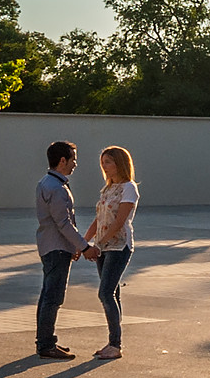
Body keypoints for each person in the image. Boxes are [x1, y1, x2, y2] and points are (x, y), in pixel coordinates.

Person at [81, 145, 139, 360]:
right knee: (113, 293)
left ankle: (116, 345)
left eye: (108, 162)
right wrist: (83, 242)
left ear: (120, 163)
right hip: (103, 248)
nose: (104, 166)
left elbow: (119, 221)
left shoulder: (128, 188)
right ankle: (113, 342)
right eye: (102, 162)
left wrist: (99, 244)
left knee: (105, 293)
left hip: (118, 246)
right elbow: (99, 220)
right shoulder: (107, 189)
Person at [34, 140, 83, 360]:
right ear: (62, 160)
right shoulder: (56, 187)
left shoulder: (47, 183)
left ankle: (45, 341)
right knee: (53, 298)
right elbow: (63, 223)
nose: (75, 164)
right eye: (73, 159)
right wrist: (83, 246)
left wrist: (74, 245)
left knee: (47, 295)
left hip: (50, 245)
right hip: (57, 248)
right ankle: (46, 345)